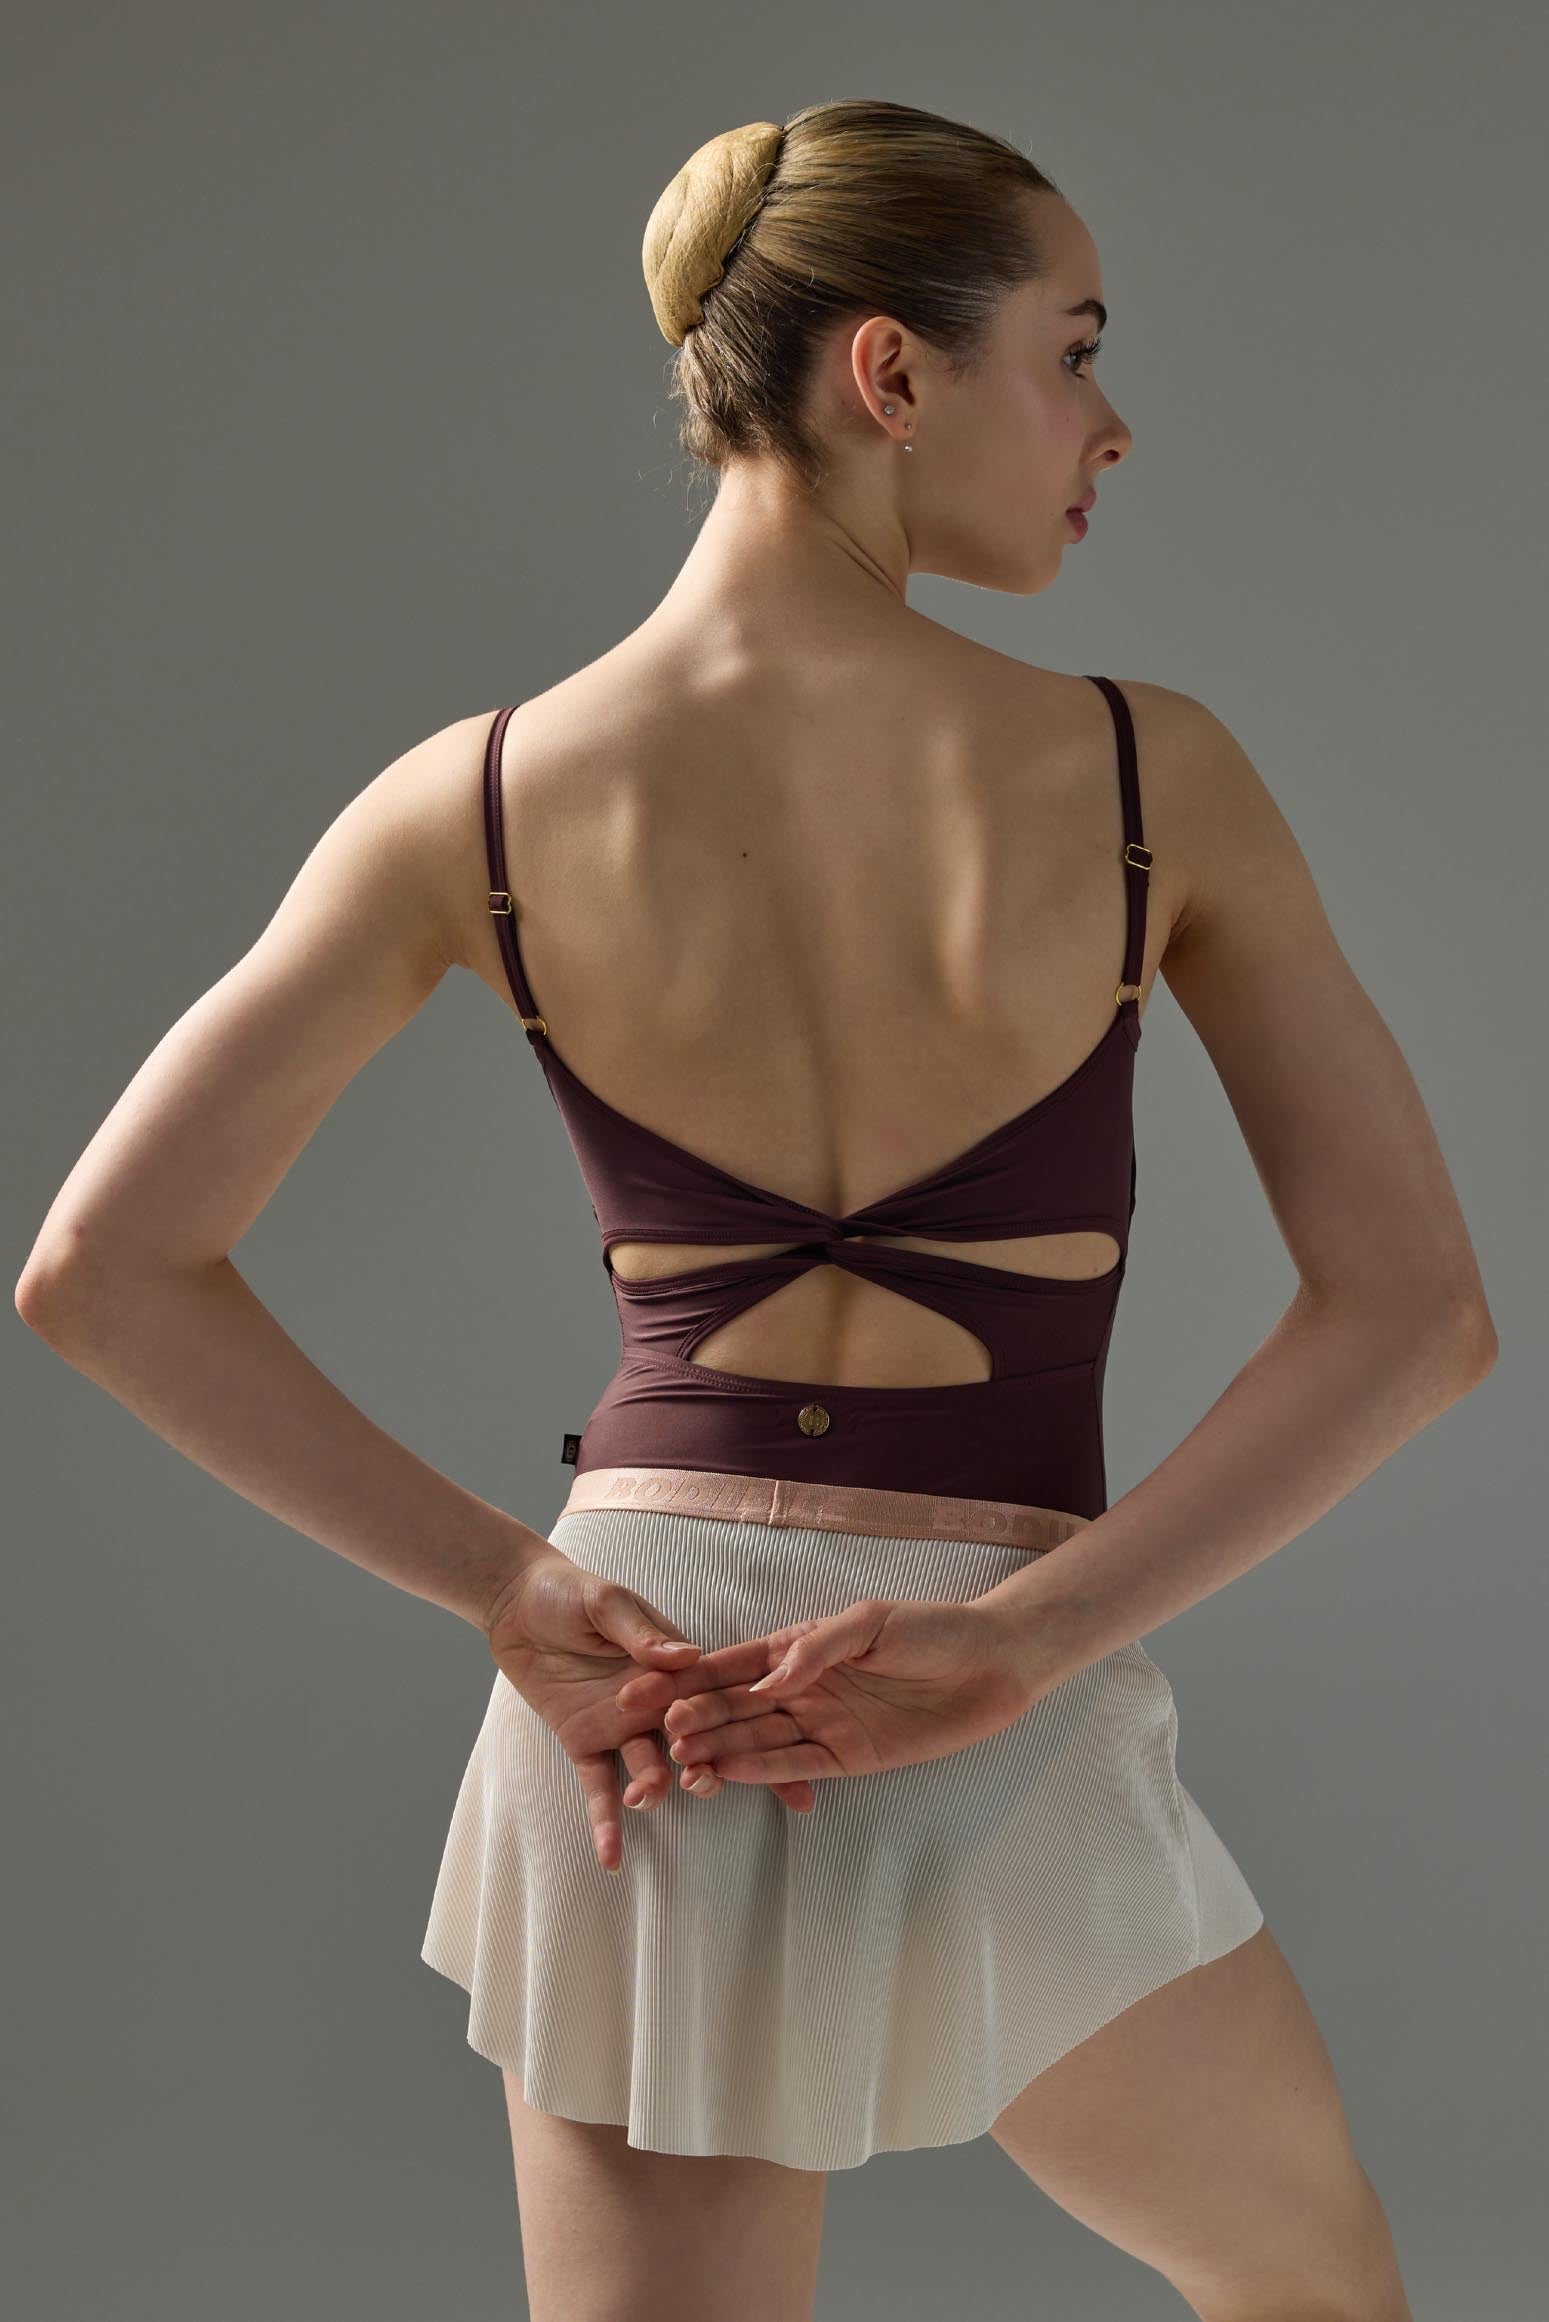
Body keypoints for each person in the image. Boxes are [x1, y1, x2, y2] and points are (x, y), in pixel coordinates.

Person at [15, 96, 1494, 2322]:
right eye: (1072, 350)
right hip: (972, 1672)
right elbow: (1411, 1314)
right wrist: (1025, 1645)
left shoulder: (469, 804)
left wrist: (507, 1587)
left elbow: (101, 1271)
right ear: (888, 372)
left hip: (648, 1689)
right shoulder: (1145, 775)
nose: (1109, 424)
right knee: (1313, 2286)